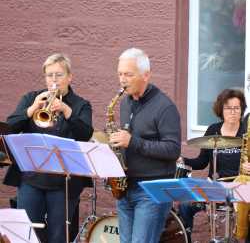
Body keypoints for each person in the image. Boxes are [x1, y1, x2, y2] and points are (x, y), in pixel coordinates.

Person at [3, 53, 93, 243]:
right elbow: (10, 127)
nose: (53, 80)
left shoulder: (80, 105)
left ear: (70, 77)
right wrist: (32, 109)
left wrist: (67, 111)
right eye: (49, 75)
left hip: (64, 183)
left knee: (58, 236)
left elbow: (85, 134)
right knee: (27, 233)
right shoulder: (32, 98)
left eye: (59, 75)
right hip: (30, 178)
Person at [110, 48, 181, 243]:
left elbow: (173, 150)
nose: (122, 80)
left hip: (151, 190)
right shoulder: (125, 104)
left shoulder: (165, 107)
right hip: (125, 188)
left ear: (146, 75)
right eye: (120, 74)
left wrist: (132, 142)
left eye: (128, 74)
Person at [178, 88, 246, 242]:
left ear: (242, 110)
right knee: (185, 205)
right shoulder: (213, 130)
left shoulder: (246, 133)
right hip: (214, 189)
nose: (233, 112)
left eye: (237, 108)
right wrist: (183, 160)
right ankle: (186, 237)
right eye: (228, 108)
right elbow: (201, 162)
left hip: (239, 190)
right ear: (221, 109)